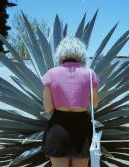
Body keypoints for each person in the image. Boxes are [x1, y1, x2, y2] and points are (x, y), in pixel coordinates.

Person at [41, 36, 100, 167]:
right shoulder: (90, 74)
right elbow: (95, 103)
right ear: (81, 53)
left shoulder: (50, 74)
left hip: (58, 127)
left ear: (60, 53)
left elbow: (48, 109)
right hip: (82, 127)